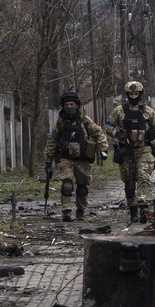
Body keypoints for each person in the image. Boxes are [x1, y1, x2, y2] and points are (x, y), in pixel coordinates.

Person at [106, 80, 155, 223]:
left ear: (140, 94)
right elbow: (108, 127)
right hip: (125, 151)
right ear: (127, 95)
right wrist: (118, 134)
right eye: (131, 94)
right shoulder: (119, 111)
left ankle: (144, 207)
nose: (133, 97)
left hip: (144, 150)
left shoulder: (148, 111)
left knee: (143, 176)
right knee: (129, 182)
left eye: (136, 94)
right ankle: (133, 210)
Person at [44, 91, 108, 222]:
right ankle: (66, 211)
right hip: (65, 158)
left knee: (82, 187)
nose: (69, 106)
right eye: (66, 104)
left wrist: (103, 149)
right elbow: (52, 140)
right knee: (66, 185)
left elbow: (98, 133)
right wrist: (48, 160)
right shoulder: (59, 122)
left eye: (72, 104)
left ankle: (80, 210)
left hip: (82, 159)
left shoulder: (84, 120)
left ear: (77, 105)